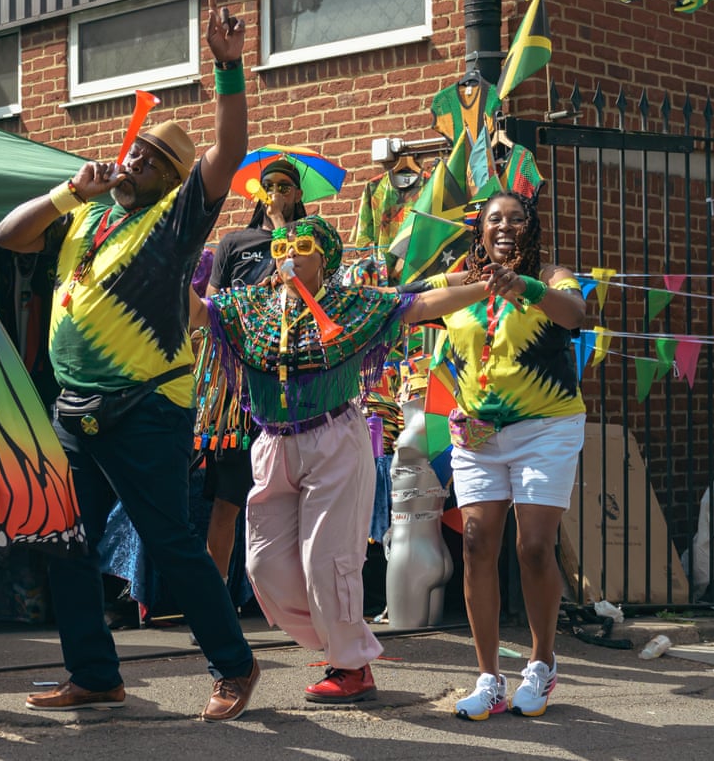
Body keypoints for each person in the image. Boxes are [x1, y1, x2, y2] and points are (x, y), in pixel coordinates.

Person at [0, 0, 260, 722]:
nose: (135, 158)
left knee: (171, 542)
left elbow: (228, 152)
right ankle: (94, 672)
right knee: (65, 537)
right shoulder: (90, 215)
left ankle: (234, 666)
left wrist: (227, 70)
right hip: (73, 408)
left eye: (152, 158)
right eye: (134, 149)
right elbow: (7, 236)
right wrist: (64, 193)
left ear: (173, 179)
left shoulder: (176, 225)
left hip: (146, 410)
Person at [192, 214, 496, 704]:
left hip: (332, 436)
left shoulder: (352, 304)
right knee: (263, 565)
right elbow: (196, 314)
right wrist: (178, 265)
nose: (288, 252)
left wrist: (485, 286)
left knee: (326, 561)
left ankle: (351, 666)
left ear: (325, 256)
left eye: (303, 243)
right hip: (271, 443)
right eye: (281, 246)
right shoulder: (250, 306)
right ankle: (341, 640)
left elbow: (420, 305)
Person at [435, 190, 586, 721]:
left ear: (531, 225)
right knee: (475, 543)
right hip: (478, 433)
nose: (503, 226)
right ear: (479, 230)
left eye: (515, 218)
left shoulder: (552, 275)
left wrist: (523, 285)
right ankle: (488, 677)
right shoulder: (462, 282)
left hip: (546, 426)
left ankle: (542, 665)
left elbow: (573, 312)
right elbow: (410, 300)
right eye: (493, 219)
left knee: (535, 547)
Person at [200, 158, 307, 582]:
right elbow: (211, 307)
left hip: (293, 384)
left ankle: (300, 602)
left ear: (298, 194)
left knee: (296, 497)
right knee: (228, 499)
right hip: (240, 389)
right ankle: (216, 606)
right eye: (269, 186)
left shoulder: (310, 240)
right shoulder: (234, 243)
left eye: (285, 186)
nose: (276, 192)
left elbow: (304, 286)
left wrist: (284, 228)